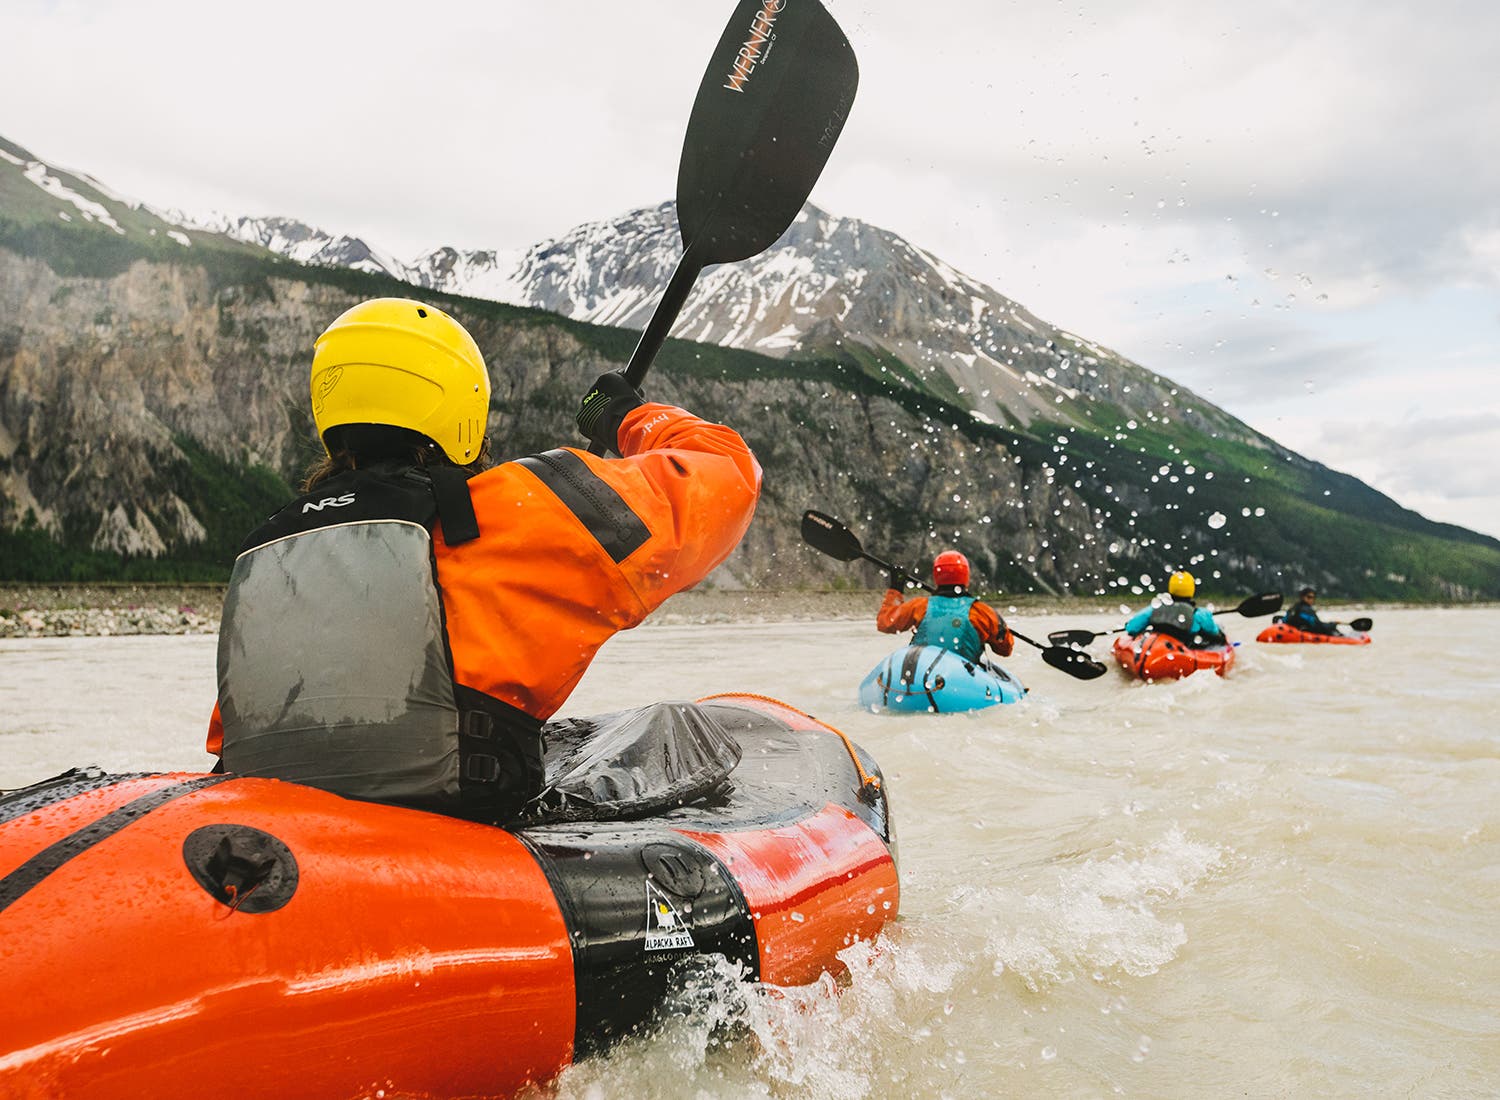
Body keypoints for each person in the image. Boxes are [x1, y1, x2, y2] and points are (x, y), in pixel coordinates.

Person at [206, 297, 760, 823]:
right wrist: (626, 417)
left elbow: (228, 737)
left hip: (286, 837)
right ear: (461, 408)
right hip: (463, 836)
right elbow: (727, 475)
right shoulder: (514, 510)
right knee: (684, 736)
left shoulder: (268, 549)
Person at [876, 550, 1014, 662]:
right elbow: (1005, 649)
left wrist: (896, 587)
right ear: (966, 577)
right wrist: (999, 630)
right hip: (962, 680)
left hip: (923, 672)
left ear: (936, 576)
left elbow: (885, 623)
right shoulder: (983, 612)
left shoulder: (919, 606)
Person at [1123, 571, 1225, 648]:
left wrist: (1128, 625)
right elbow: (1215, 633)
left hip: (1157, 648)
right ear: (1192, 590)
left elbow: (1131, 628)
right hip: (1184, 649)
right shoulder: (1199, 614)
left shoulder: (1154, 609)